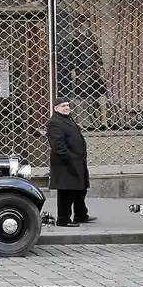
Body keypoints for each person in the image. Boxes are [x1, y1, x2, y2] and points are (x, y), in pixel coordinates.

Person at [46, 97, 95, 227]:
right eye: (63, 106)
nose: (67, 107)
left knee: (80, 189)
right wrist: (69, 159)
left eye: (67, 105)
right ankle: (63, 219)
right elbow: (58, 145)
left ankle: (80, 215)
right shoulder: (54, 122)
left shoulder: (67, 119)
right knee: (66, 192)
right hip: (65, 164)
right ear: (56, 108)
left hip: (77, 161)